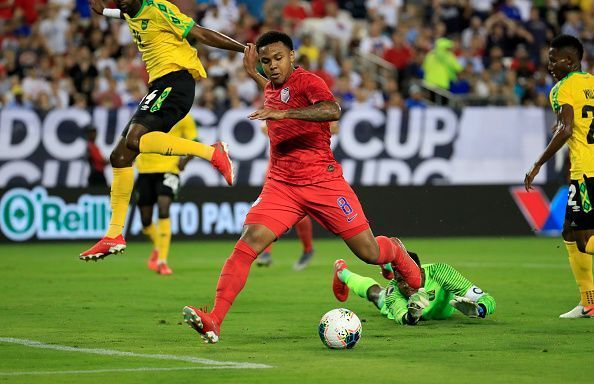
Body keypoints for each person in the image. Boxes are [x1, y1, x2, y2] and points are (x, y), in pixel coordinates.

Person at [182, 31, 422, 344]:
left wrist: (282, 113)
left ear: (292, 56)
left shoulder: (309, 82)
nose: (272, 66)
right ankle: (214, 319)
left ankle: (395, 250)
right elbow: (273, 94)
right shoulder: (270, 85)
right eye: (266, 61)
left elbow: (332, 110)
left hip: (324, 182)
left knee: (370, 253)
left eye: (278, 59)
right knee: (248, 243)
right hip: (282, 184)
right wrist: (253, 73)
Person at [80, 0, 246, 261]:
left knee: (136, 138)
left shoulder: (157, 8)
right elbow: (126, 14)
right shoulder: (129, 11)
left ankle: (212, 152)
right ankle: (113, 235)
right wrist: (105, 12)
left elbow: (200, 33)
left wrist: (244, 49)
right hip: (159, 85)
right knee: (120, 157)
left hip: (175, 81)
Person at [525, 34, 594, 318]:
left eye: (554, 59)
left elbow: (565, 129)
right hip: (586, 169)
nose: (550, 65)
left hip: (587, 172)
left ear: (570, 60)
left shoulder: (561, 88)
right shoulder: (591, 82)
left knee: (584, 240)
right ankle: (589, 301)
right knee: (568, 231)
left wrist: (539, 163)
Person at [254, 121, 340, 270]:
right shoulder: (283, 108)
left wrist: (304, 127)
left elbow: (335, 127)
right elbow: (263, 127)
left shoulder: (314, 110)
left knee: (301, 218)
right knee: (269, 211)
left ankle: (308, 250)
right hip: (278, 170)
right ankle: (266, 253)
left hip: (306, 170)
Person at [331, 255, 496, 325]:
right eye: (399, 280)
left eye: (406, 278)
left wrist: (479, 309)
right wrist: (412, 315)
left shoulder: (441, 272)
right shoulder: (394, 291)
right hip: (398, 305)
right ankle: (342, 273)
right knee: (375, 294)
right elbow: (403, 319)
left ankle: (387, 264)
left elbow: (488, 299)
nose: (405, 286)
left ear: (421, 271)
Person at [136, 114, 197, 275]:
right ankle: (158, 246)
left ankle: (162, 261)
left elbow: (194, 141)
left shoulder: (183, 116)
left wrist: (184, 161)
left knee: (164, 208)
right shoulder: (146, 111)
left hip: (169, 169)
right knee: (145, 220)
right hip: (145, 169)